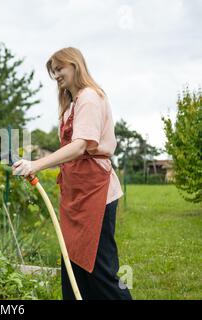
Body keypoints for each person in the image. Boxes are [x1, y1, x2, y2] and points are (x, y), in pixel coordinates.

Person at [12, 47, 132, 300]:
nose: (56, 75)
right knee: (72, 264)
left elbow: (79, 146)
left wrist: (36, 165)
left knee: (99, 269)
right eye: (53, 71)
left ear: (75, 66)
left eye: (60, 68)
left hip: (96, 193)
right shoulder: (71, 105)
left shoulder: (89, 97)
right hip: (77, 193)